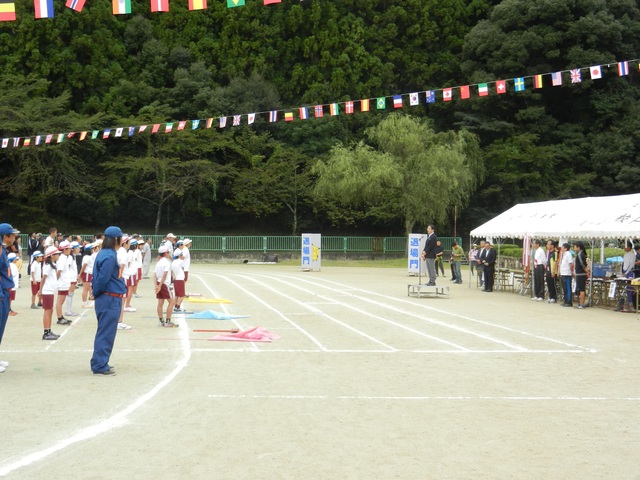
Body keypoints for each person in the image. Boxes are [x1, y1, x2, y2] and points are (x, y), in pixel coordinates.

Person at [90, 226, 127, 376]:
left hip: (108, 297)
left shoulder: (104, 253)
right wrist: (96, 292)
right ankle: (99, 364)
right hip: (109, 298)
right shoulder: (110, 256)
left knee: (105, 331)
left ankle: (100, 362)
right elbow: (102, 278)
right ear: (116, 239)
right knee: (106, 333)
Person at [0, 223, 18, 372]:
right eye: (12, 235)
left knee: (1, 327)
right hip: (0, 294)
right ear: (5, 237)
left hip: (4, 293)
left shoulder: (3, 250)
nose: (15, 237)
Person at [40, 246, 61, 340]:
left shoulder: (52, 264)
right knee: (48, 311)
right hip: (47, 291)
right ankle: (46, 332)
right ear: (52, 255)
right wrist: (40, 291)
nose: (58, 255)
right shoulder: (48, 266)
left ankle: (48, 330)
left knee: (50, 311)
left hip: (50, 291)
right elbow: (43, 279)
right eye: (57, 254)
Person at [155, 245, 177, 327]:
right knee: (172, 302)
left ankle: (161, 321)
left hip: (158, 282)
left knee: (160, 302)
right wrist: (160, 285)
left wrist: (156, 285)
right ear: (166, 253)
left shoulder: (158, 263)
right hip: (164, 284)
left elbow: (155, 275)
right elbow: (165, 274)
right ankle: (168, 321)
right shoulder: (167, 263)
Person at [55, 241, 73, 325]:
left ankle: (61, 316)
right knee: (60, 300)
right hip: (62, 283)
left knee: (62, 300)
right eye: (69, 248)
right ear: (65, 249)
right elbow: (58, 271)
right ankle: (59, 317)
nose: (70, 250)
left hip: (65, 282)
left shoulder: (64, 257)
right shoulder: (62, 258)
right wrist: (57, 281)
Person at [573, 241, 589, 309]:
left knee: (582, 289)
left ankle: (582, 304)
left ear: (578, 247)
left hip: (581, 274)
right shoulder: (580, 254)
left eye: (575, 247)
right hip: (579, 273)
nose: (574, 249)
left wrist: (586, 270)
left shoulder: (580, 254)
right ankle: (581, 303)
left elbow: (582, 264)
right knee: (580, 289)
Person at [559, 243, 574, 307]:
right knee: (565, 288)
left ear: (565, 248)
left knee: (568, 288)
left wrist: (572, 271)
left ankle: (569, 301)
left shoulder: (568, 254)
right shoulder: (564, 255)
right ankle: (565, 300)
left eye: (562, 247)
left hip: (567, 273)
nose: (561, 248)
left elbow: (571, 264)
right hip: (563, 273)